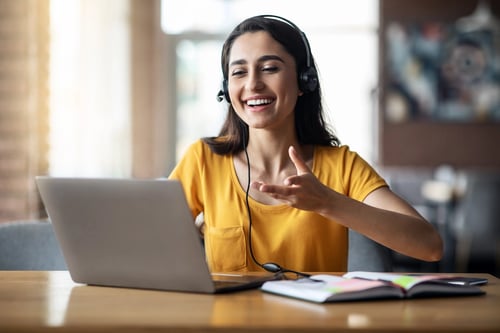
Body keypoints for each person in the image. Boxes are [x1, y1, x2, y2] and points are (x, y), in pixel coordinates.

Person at [169, 15, 443, 273]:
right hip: (228, 324)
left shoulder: (342, 166)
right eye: (239, 72)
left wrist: (327, 202)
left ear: (304, 81)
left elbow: (430, 245)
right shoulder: (202, 160)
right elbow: (152, 241)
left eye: (269, 68)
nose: (253, 84)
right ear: (226, 88)